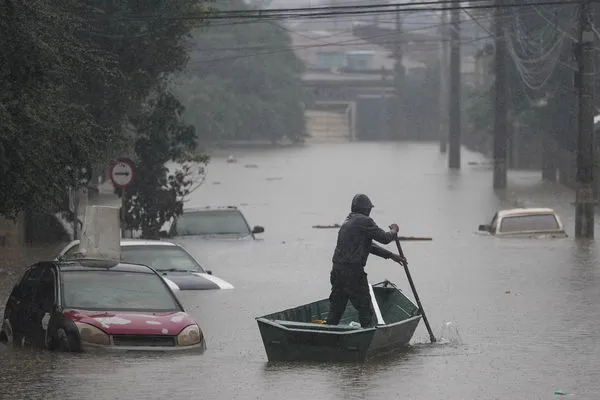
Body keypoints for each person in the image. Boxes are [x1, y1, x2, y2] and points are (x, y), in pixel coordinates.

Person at [326, 193, 407, 328]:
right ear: (365, 209)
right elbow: (385, 238)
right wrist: (394, 230)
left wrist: (391, 255)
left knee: (336, 311)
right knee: (365, 309)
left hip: (337, 272)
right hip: (353, 274)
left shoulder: (347, 222)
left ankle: (326, 337)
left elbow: (368, 246)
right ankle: (367, 337)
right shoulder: (364, 221)